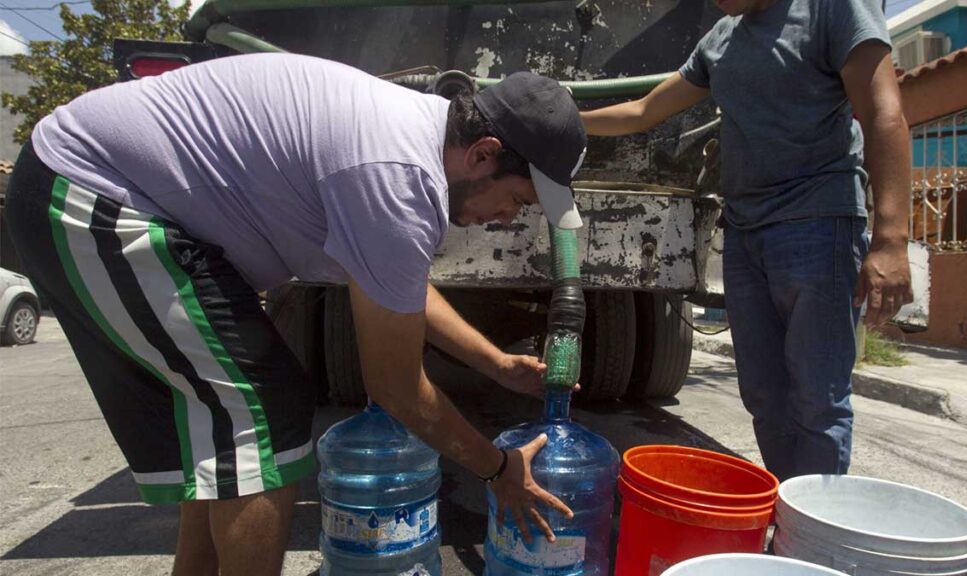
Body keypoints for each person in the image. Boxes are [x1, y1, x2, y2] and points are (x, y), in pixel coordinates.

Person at [5, 53, 587, 575]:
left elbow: (396, 285)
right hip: (91, 193)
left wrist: (496, 366)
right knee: (264, 410)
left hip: (109, 193)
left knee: (226, 432)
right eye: (517, 199)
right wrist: (497, 469)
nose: (509, 217)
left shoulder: (413, 141)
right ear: (482, 155)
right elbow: (396, 387)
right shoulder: (398, 177)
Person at [582, 0, 913, 481]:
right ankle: (786, 510)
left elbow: (885, 114)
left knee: (817, 399)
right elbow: (643, 111)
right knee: (763, 394)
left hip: (818, 224)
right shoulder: (721, 38)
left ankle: (810, 536)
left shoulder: (832, 9)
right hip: (746, 231)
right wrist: (571, 118)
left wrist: (892, 239)